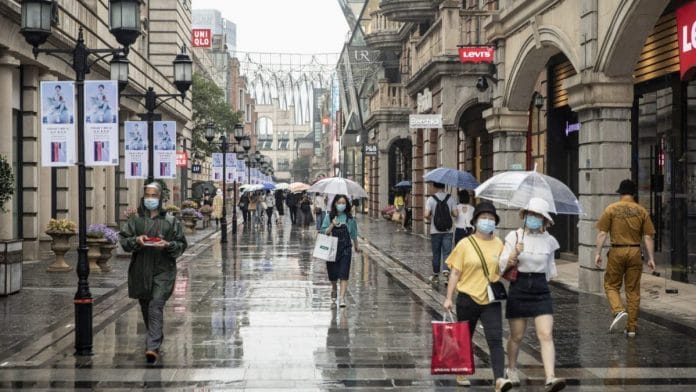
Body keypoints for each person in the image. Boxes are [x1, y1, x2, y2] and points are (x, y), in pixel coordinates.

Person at [442, 202, 512, 391]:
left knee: (496, 339)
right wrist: (448, 298)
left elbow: (503, 268)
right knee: (465, 337)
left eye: (491, 219)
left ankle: (499, 379)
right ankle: (461, 370)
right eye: (484, 218)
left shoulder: (499, 243)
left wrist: (513, 257)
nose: (487, 222)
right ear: (475, 221)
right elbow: (455, 273)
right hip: (467, 298)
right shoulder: (465, 243)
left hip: (490, 299)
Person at [499, 198, 566, 391]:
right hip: (519, 285)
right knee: (517, 335)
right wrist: (514, 255)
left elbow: (550, 270)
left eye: (538, 215)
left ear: (544, 220)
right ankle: (511, 368)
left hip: (540, 288)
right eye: (531, 214)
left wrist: (544, 281)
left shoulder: (550, 241)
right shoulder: (515, 237)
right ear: (524, 215)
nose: (534, 218)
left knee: (545, 334)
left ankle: (550, 376)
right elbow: (502, 264)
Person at [119, 182, 187, 364]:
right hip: (141, 269)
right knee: (146, 305)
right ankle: (155, 336)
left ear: (160, 198)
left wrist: (168, 245)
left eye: (153, 195)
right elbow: (124, 241)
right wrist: (136, 240)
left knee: (156, 304)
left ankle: (152, 346)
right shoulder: (135, 220)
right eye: (147, 195)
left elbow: (181, 244)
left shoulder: (171, 221)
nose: (150, 199)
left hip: (163, 270)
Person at [594, 179, 656, 337]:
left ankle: (618, 310)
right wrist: (651, 258)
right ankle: (632, 328)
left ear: (620, 193)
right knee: (633, 290)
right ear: (634, 193)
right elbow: (648, 236)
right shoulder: (642, 211)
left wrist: (597, 253)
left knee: (611, 285)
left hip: (617, 251)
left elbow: (602, 233)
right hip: (635, 251)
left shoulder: (611, 209)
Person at [320, 194, 360, 307]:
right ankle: (334, 288)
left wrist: (356, 246)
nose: (341, 205)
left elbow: (354, 234)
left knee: (344, 273)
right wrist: (332, 225)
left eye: (343, 203)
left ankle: (342, 298)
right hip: (332, 249)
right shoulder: (329, 217)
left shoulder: (350, 219)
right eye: (339, 203)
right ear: (335, 204)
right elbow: (324, 232)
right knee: (333, 274)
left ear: (346, 205)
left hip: (346, 249)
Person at [424, 182, 458, 283]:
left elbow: (426, 214)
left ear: (434, 186)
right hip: (448, 230)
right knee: (447, 252)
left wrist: (433, 217)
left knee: (436, 253)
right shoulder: (451, 198)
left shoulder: (431, 199)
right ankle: (446, 274)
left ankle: (435, 275)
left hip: (435, 231)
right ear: (444, 186)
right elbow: (456, 214)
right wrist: (450, 213)